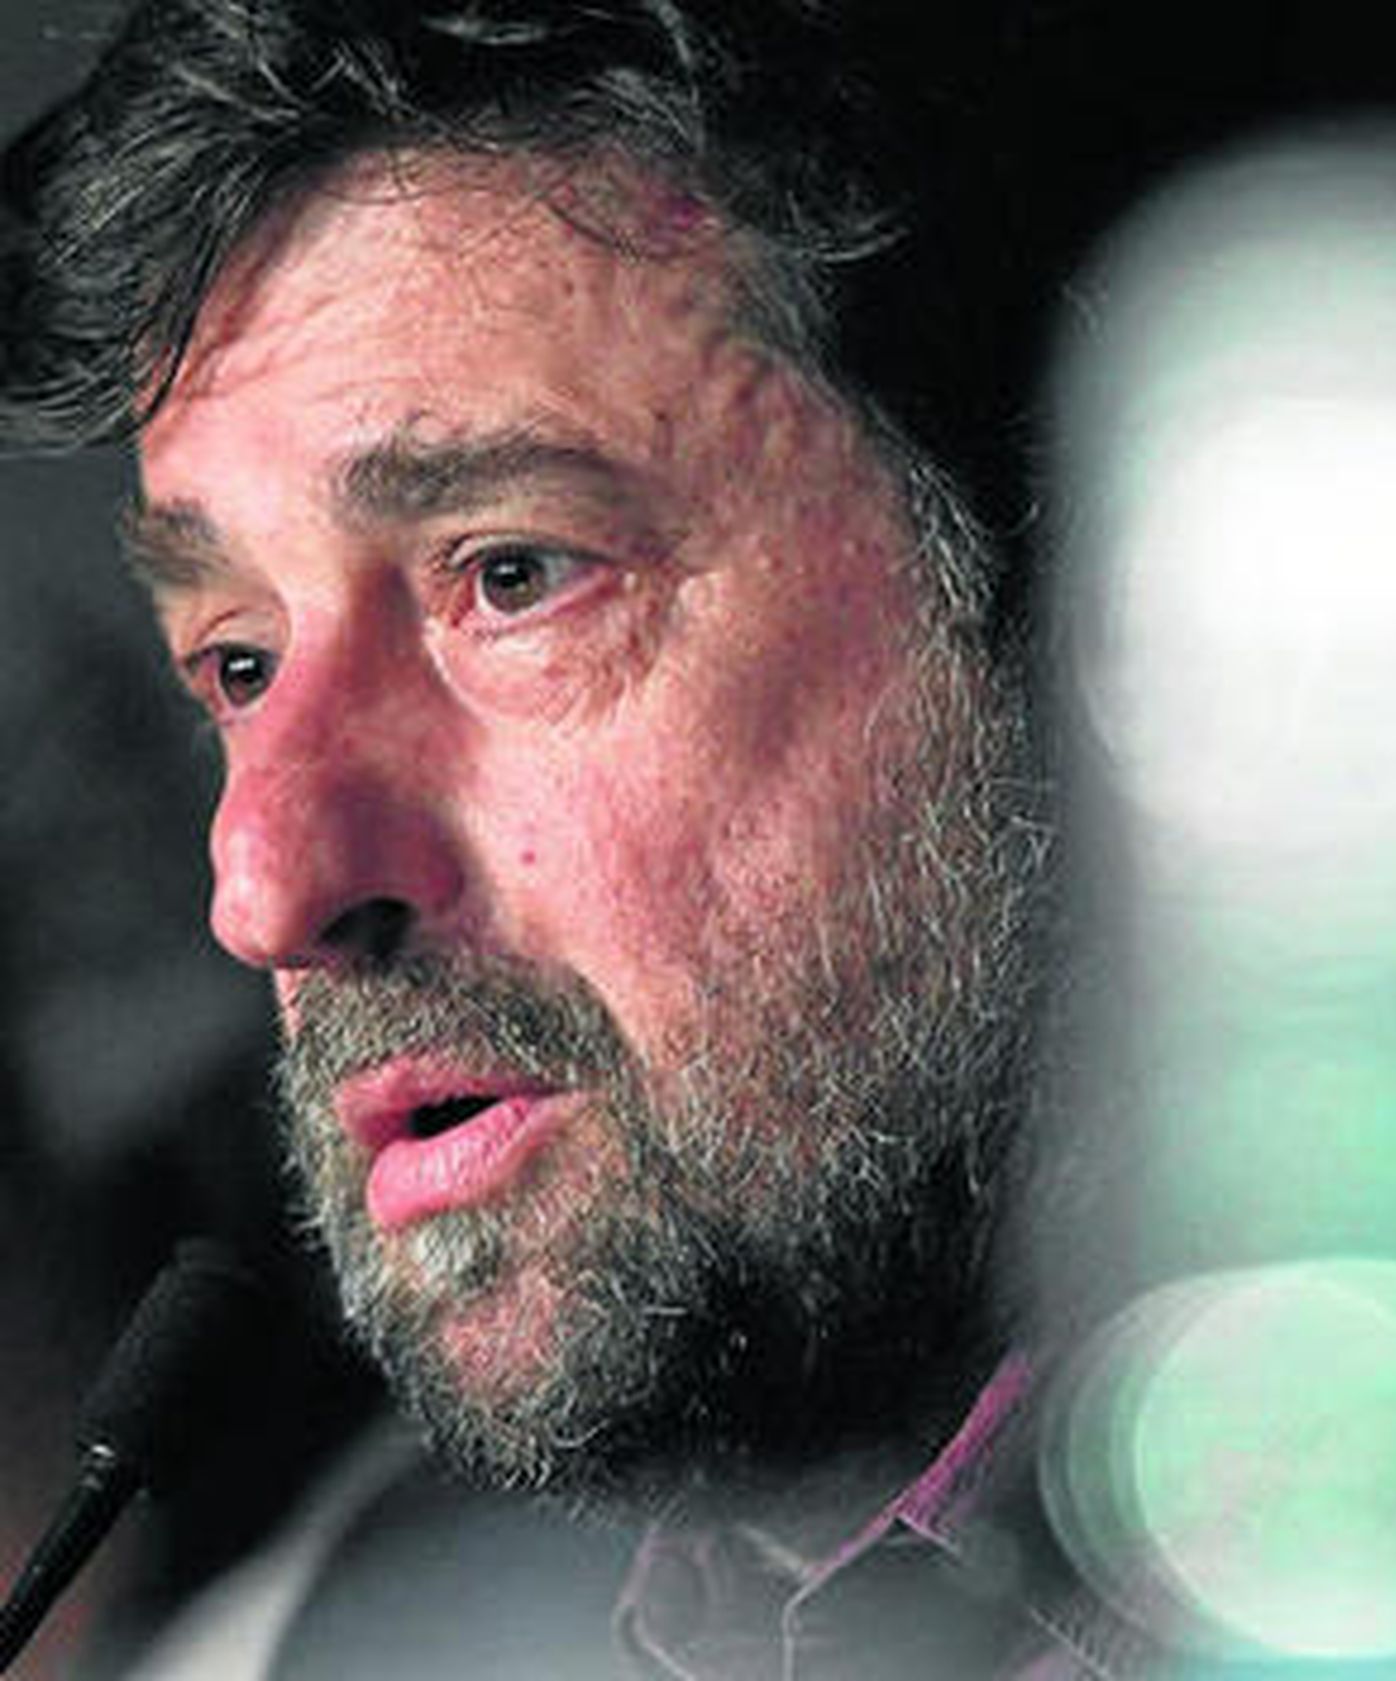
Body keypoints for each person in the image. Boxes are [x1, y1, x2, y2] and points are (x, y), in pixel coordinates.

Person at [0, 2, 1131, 1676]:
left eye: (512, 575)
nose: (268, 886)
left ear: (1069, 600)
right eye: (238, 664)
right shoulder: (388, 1633)